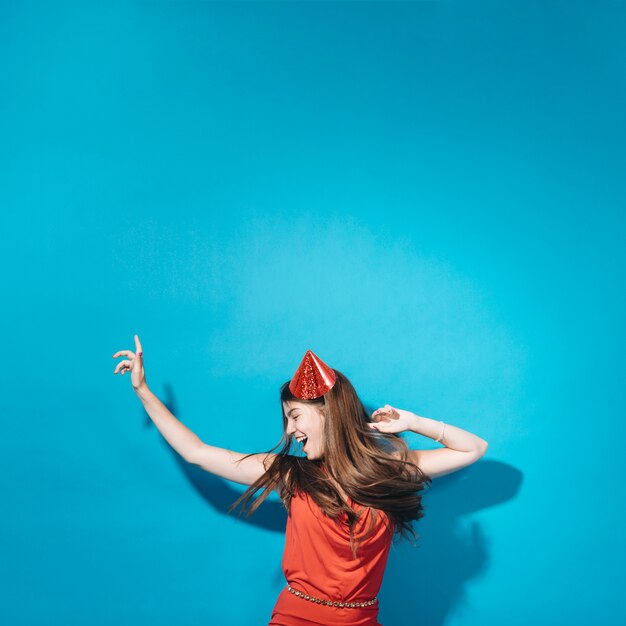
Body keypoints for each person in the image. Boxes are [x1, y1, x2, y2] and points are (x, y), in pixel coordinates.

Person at [113, 335, 489, 626]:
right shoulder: (290, 473)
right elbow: (197, 452)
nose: (291, 431)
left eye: (295, 417)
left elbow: (472, 448)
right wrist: (143, 391)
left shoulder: (387, 469)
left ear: (327, 412)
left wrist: (414, 422)